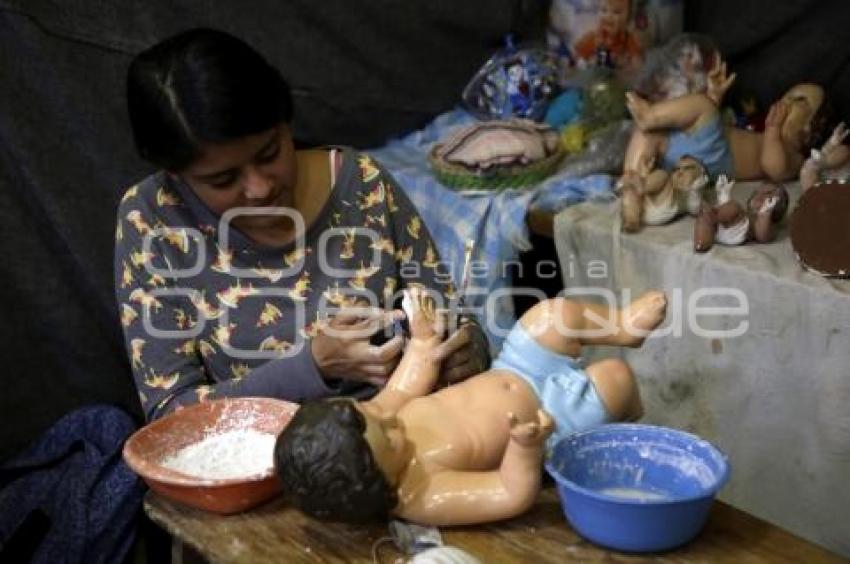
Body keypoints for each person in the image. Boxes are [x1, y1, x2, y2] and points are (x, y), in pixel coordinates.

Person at [115, 29, 489, 421]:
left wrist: (466, 352)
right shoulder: (152, 221)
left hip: (410, 428)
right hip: (257, 450)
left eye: (270, 153)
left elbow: (452, 317)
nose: (260, 188)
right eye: (223, 180)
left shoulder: (362, 184)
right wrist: (312, 367)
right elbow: (170, 415)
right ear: (176, 174)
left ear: (286, 121)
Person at [275, 287, 667, 526]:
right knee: (615, 379)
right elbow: (509, 494)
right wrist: (524, 447)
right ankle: (627, 415)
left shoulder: (379, 418)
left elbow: (408, 381)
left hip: (514, 368)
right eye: (389, 438)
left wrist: (423, 341)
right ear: (381, 485)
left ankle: (624, 326)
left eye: (372, 411)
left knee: (553, 316)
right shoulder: (421, 492)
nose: (390, 417)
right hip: (550, 419)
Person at [621, 59, 835, 182]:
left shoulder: (795, 156)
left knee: (703, 105)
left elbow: (775, 169)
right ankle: (631, 180)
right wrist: (715, 97)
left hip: (718, 158)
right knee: (648, 134)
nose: (787, 100)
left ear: (809, 129)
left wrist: (772, 131)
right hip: (700, 145)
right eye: (788, 94)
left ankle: (651, 115)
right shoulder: (760, 130)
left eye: (800, 100)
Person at [573, 0, 642, 70]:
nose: (608, 16)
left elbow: (637, 64)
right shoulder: (591, 38)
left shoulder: (629, 40)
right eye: (604, 10)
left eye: (616, 12)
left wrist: (629, 65)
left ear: (628, 17)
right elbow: (576, 57)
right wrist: (586, 64)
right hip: (596, 74)